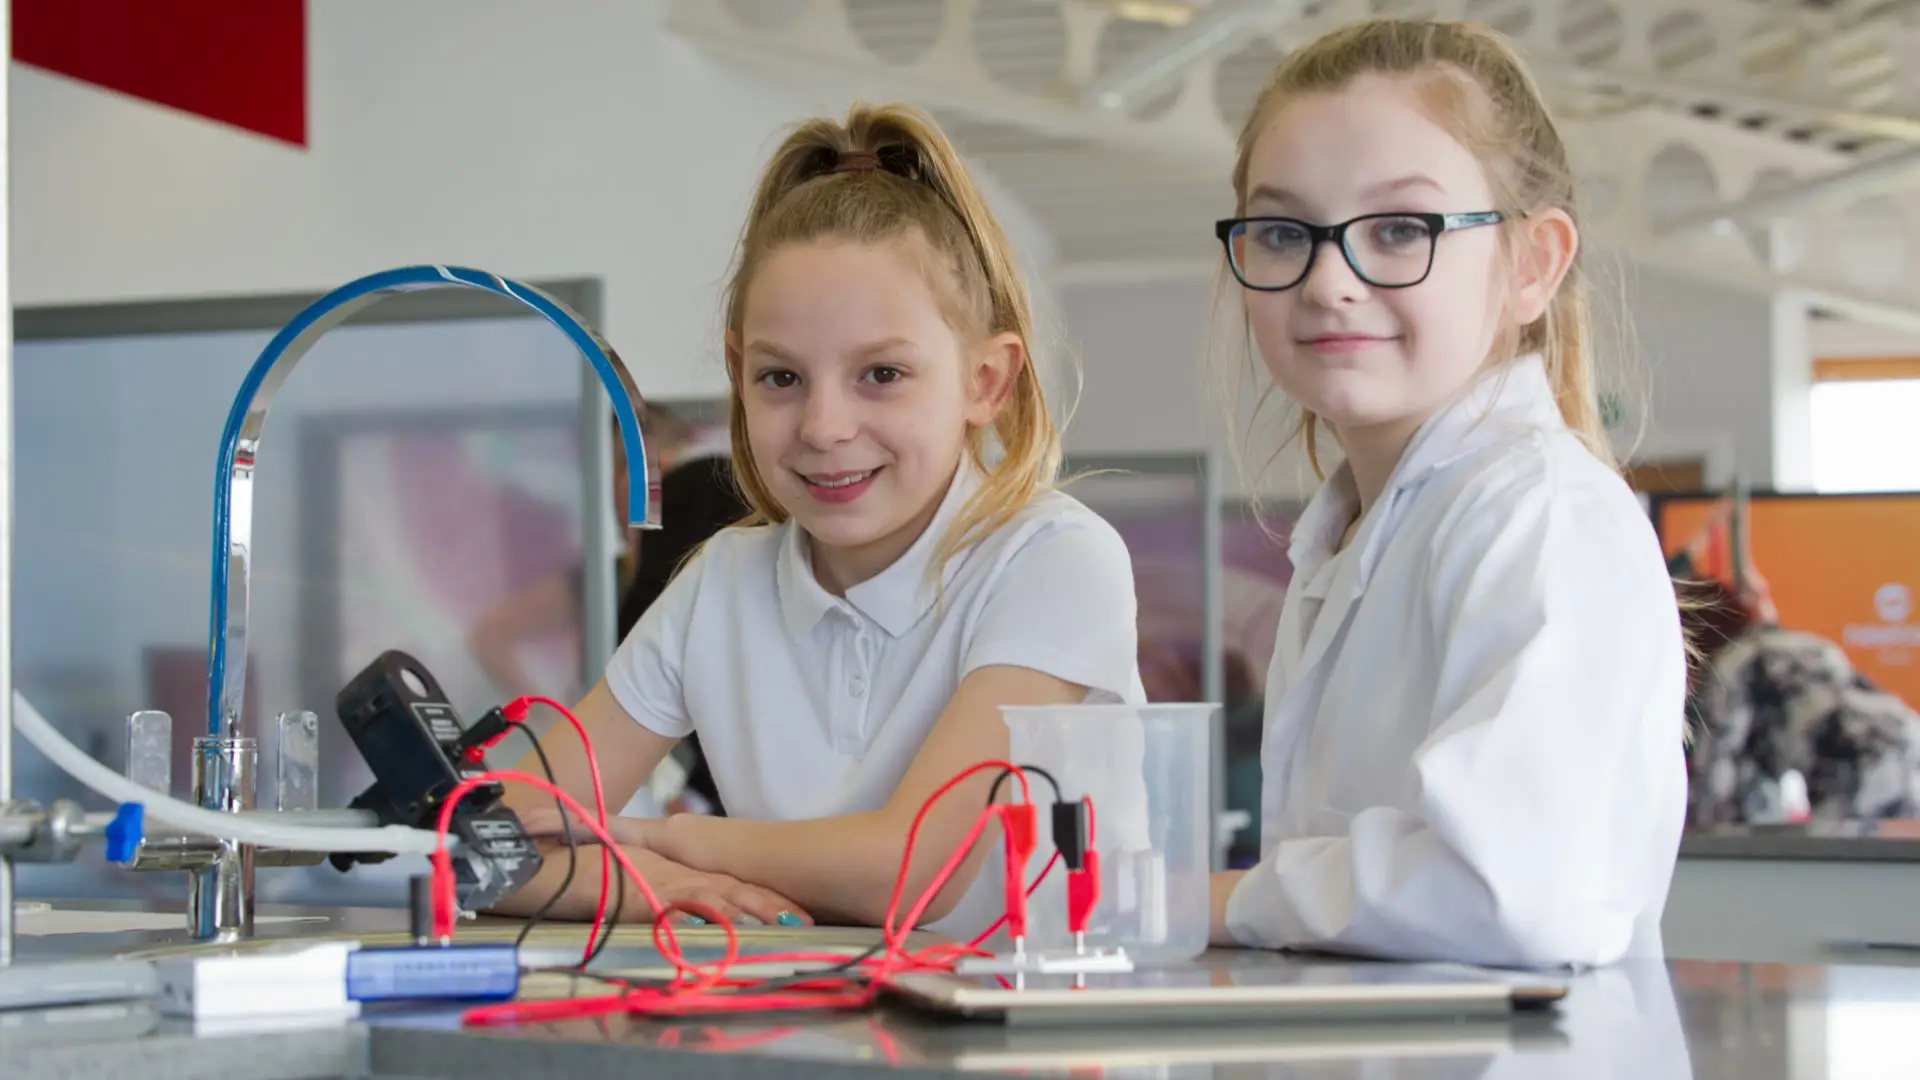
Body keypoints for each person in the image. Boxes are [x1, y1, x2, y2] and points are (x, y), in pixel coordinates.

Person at [490, 102, 1145, 932]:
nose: (823, 427)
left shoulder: (1054, 558)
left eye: (881, 374)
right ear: (738, 371)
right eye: (780, 379)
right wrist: (655, 886)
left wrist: (658, 841)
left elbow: (912, 870)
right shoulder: (722, 584)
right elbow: (490, 845)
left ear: (987, 381)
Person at [1203, 19, 1688, 969]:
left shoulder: (1542, 518)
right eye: (1283, 231)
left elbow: (1510, 891)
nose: (1330, 280)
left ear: (1533, 265)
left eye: (1399, 230)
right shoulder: (1355, 537)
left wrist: (1211, 899)